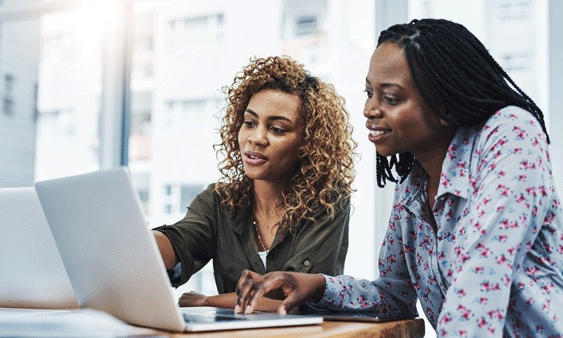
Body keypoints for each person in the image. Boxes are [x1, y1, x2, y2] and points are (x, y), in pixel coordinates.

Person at [235, 18, 563, 336]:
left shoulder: (510, 134)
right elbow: (395, 296)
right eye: (369, 93)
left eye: (390, 98)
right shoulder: (412, 188)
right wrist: (317, 285)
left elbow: (482, 277)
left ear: (444, 105)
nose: (369, 110)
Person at [152, 55, 357, 310]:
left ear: (308, 143)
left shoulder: (327, 199)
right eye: (250, 123)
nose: (256, 138)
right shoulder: (219, 201)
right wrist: (141, 241)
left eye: (277, 129)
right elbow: (180, 241)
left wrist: (207, 301)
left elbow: (292, 298)